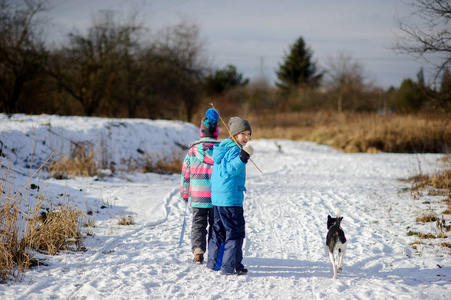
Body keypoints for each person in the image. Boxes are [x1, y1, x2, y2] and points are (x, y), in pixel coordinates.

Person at [206, 116, 254, 275]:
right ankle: (229, 267)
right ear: (234, 134)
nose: (247, 138)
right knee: (235, 232)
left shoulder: (222, 148)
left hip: (218, 199)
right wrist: (243, 158)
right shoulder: (235, 150)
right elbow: (231, 169)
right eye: (243, 134)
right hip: (230, 199)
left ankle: (215, 264)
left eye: (249, 135)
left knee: (219, 230)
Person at [180, 108, 220, 263]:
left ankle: (198, 251)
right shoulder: (220, 151)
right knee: (215, 224)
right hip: (216, 196)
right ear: (216, 132)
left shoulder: (192, 152)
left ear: (201, 132)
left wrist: (185, 194)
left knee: (198, 224)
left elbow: (185, 175)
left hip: (197, 196)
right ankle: (214, 251)